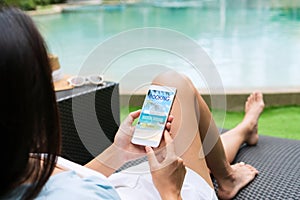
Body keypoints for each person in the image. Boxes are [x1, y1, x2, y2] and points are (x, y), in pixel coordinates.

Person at [0, 6, 265, 200]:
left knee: (173, 92)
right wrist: (170, 190)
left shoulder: (14, 162)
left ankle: (244, 130)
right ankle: (229, 172)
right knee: (175, 84)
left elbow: (71, 178)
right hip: (165, 193)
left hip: (128, 184)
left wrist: (119, 152)